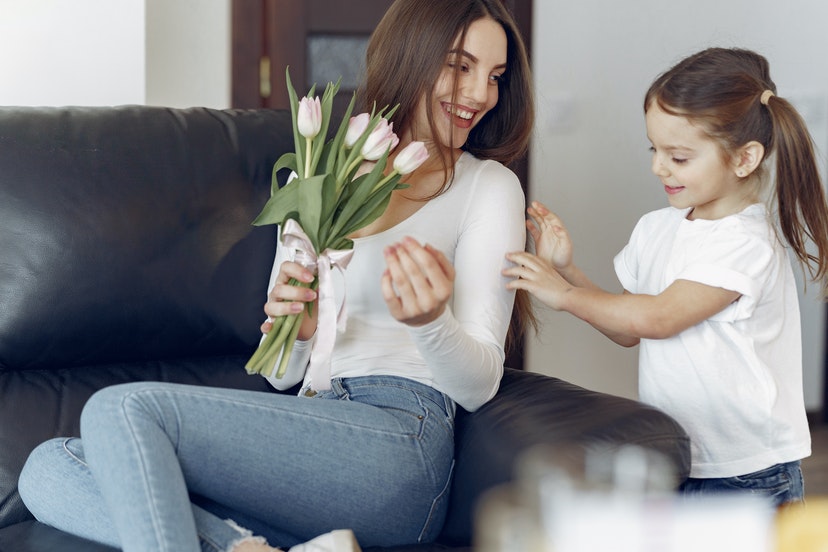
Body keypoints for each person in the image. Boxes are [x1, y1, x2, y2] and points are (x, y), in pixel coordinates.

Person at [18, 1, 535, 551]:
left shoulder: (488, 187)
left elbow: (479, 386)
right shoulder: (321, 175)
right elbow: (284, 375)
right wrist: (302, 332)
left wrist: (431, 322)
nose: (481, 94)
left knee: (119, 409)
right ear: (412, 56)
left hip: (398, 441)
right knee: (48, 467)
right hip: (307, 431)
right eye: (461, 67)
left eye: (495, 77)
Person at [504, 47, 828, 507]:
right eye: (654, 149)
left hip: (748, 473)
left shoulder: (745, 244)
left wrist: (562, 296)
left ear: (744, 159)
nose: (658, 167)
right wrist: (567, 271)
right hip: (677, 459)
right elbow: (628, 328)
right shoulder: (656, 229)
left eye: (678, 157)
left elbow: (658, 319)